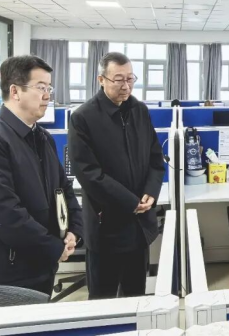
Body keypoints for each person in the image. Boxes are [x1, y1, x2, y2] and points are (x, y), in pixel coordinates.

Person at [0, 56, 82, 295]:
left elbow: (63, 189)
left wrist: (74, 230)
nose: (47, 96)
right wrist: (53, 247)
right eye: (41, 87)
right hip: (5, 275)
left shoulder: (42, 138)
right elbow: (4, 215)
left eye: (49, 88)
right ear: (15, 91)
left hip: (41, 266)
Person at [68, 52, 165, 299]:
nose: (126, 86)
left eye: (130, 79)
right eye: (119, 79)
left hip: (139, 227)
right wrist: (131, 202)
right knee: (103, 301)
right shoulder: (83, 117)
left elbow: (156, 159)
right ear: (101, 79)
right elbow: (88, 173)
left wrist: (151, 192)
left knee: (136, 297)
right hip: (107, 227)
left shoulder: (139, 111)